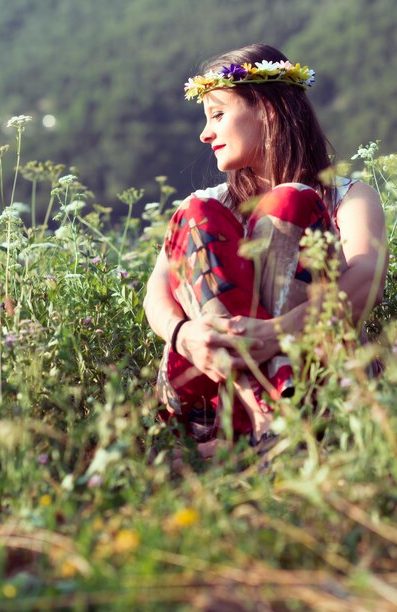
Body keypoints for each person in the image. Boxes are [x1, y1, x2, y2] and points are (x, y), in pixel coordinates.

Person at [143, 43, 388, 455]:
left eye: (218, 115)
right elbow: (156, 294)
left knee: (289, 204)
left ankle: (265, 425)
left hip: (319, 381)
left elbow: (368, 280)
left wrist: (275, 335)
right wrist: (184, 335)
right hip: (212, 383)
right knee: (194, 212)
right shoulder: (209, 207)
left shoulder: (349, 197)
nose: (205, 133)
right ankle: (263, 420)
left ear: (267, 111)